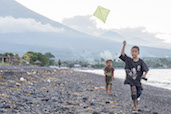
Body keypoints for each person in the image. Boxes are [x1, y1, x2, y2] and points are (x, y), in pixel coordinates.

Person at [119, 41, 149, 113]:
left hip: (138, 81)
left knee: (139, 93)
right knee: (134, 93)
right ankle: (135, 106)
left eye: (135, 51)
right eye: (132, 51)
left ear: (138, 53)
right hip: (131, 81)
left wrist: (144, 74)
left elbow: (146, 70)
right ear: (131, 52)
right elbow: (122, 54)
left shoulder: (141, 62)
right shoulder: (128, 60)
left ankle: (135, 99)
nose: (134, 53)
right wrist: (124, 46)